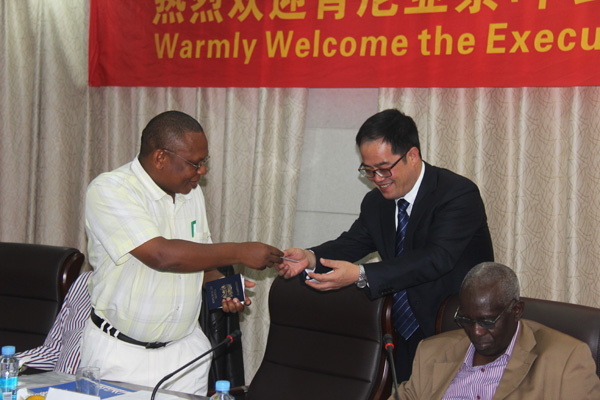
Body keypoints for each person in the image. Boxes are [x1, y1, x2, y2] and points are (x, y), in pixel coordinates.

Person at [277, 109, 494, 381]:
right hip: (400, 330)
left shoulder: (457, 194)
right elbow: (353, 242)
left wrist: (361, 274)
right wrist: (310, 257)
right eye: (368, 171)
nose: (378, 179)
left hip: (455, 329)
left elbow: (436, 258)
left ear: (412, 156)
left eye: (384, 168)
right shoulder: (376, 203)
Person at [81, 111, 283, 395]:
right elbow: (162, 256)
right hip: (121, 355)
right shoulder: (111, 189)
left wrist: (221, 286)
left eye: (204, 162)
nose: (202, 171)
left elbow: (199, 260)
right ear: (161, 158)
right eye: (195, 163)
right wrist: (240, 251)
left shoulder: (191, 193)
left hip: (185, 356)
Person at [392, 262, 600, 400]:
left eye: (487, 321)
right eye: (467, 320)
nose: (476, 332)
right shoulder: (431, 352)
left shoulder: (566, 360)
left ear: (516, 310)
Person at [16, 271, 92, 375]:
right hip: (56, 382)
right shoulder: (84, 281)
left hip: (93, 384)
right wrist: (9, 362)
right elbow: (54, 350)